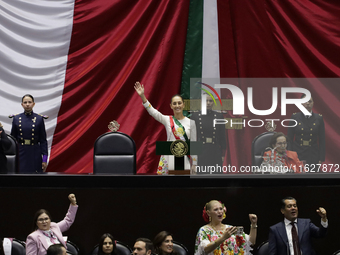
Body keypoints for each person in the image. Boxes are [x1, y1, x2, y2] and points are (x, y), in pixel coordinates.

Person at [134, 81, 197, 174]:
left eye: (179, 103)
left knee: (182, 186)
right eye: (174, 103)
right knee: (167, 186)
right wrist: (143, 96)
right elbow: (153, 112)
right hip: (168, 157)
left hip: (184, 159)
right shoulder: (167, 120)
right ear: (171, 106)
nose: (177, 106)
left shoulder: (191, 123)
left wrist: (194, 164)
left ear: (183, 105)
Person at [10, 94, 48, 173]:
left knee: (35, 179)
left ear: (33, 104)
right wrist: (12, 157)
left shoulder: (39, 119)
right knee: (20, 178)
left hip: (34, 152)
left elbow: (43, 140)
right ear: (22, 104)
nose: (27, 104)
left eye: (29, 102)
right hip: (21, 152)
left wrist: (44, 159)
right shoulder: (16, 119)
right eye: (25, 102)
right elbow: (12, 140)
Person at [190, 94, 226, 171]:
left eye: (210, 101)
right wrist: (194, 160)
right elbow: (192, 138)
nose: (208, 103)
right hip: (201, 151)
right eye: (206, 101)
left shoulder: (219, 116)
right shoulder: (195, 116)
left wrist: (223, 154)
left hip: (215, 151)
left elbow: (222, 136)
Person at [287, 95, 325, 166]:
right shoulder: (295, 117)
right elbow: (289, 138)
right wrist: (290, 155)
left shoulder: (319, 118)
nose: (308, 103)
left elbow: (322, 140)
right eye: (305, 101)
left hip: (313, 153)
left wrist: (321, 158)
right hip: (297, 152)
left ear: (313, 103)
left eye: (310, 101)